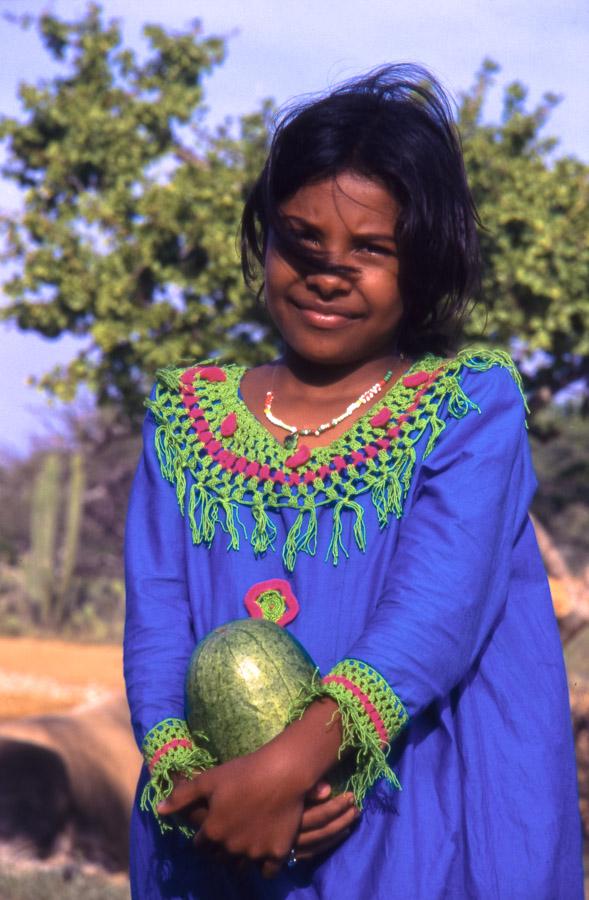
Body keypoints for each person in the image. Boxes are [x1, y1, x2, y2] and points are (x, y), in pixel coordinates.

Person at [124, 64, 583, 899]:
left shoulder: (466, 407)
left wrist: (291, 765)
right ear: (263, 237)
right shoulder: (183, 418)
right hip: (221, 829)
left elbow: (434, 614)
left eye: (371, 250)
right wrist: (197, 785)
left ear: (426, 263)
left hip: (417, 822)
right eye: (301, 242)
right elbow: (156, 622)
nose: (328, 272)